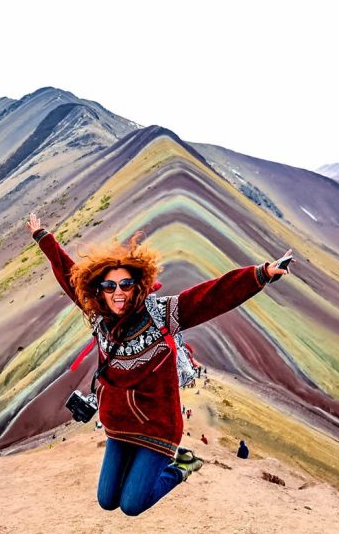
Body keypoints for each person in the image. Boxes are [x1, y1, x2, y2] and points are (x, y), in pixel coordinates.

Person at [27, 212, 295, 517]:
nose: (118, 293)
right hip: (119, 424)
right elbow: (68, 273)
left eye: (126, 284)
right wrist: (43, 238)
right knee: (107, 500)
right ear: (98, 289)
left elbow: (212, 296)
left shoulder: (163, 313)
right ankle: (141, 470)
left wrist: (260, 274)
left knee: (131, 505)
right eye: (109, 286)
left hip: (157, 426)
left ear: (138, 285)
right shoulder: (98, 315)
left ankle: (181, 466)